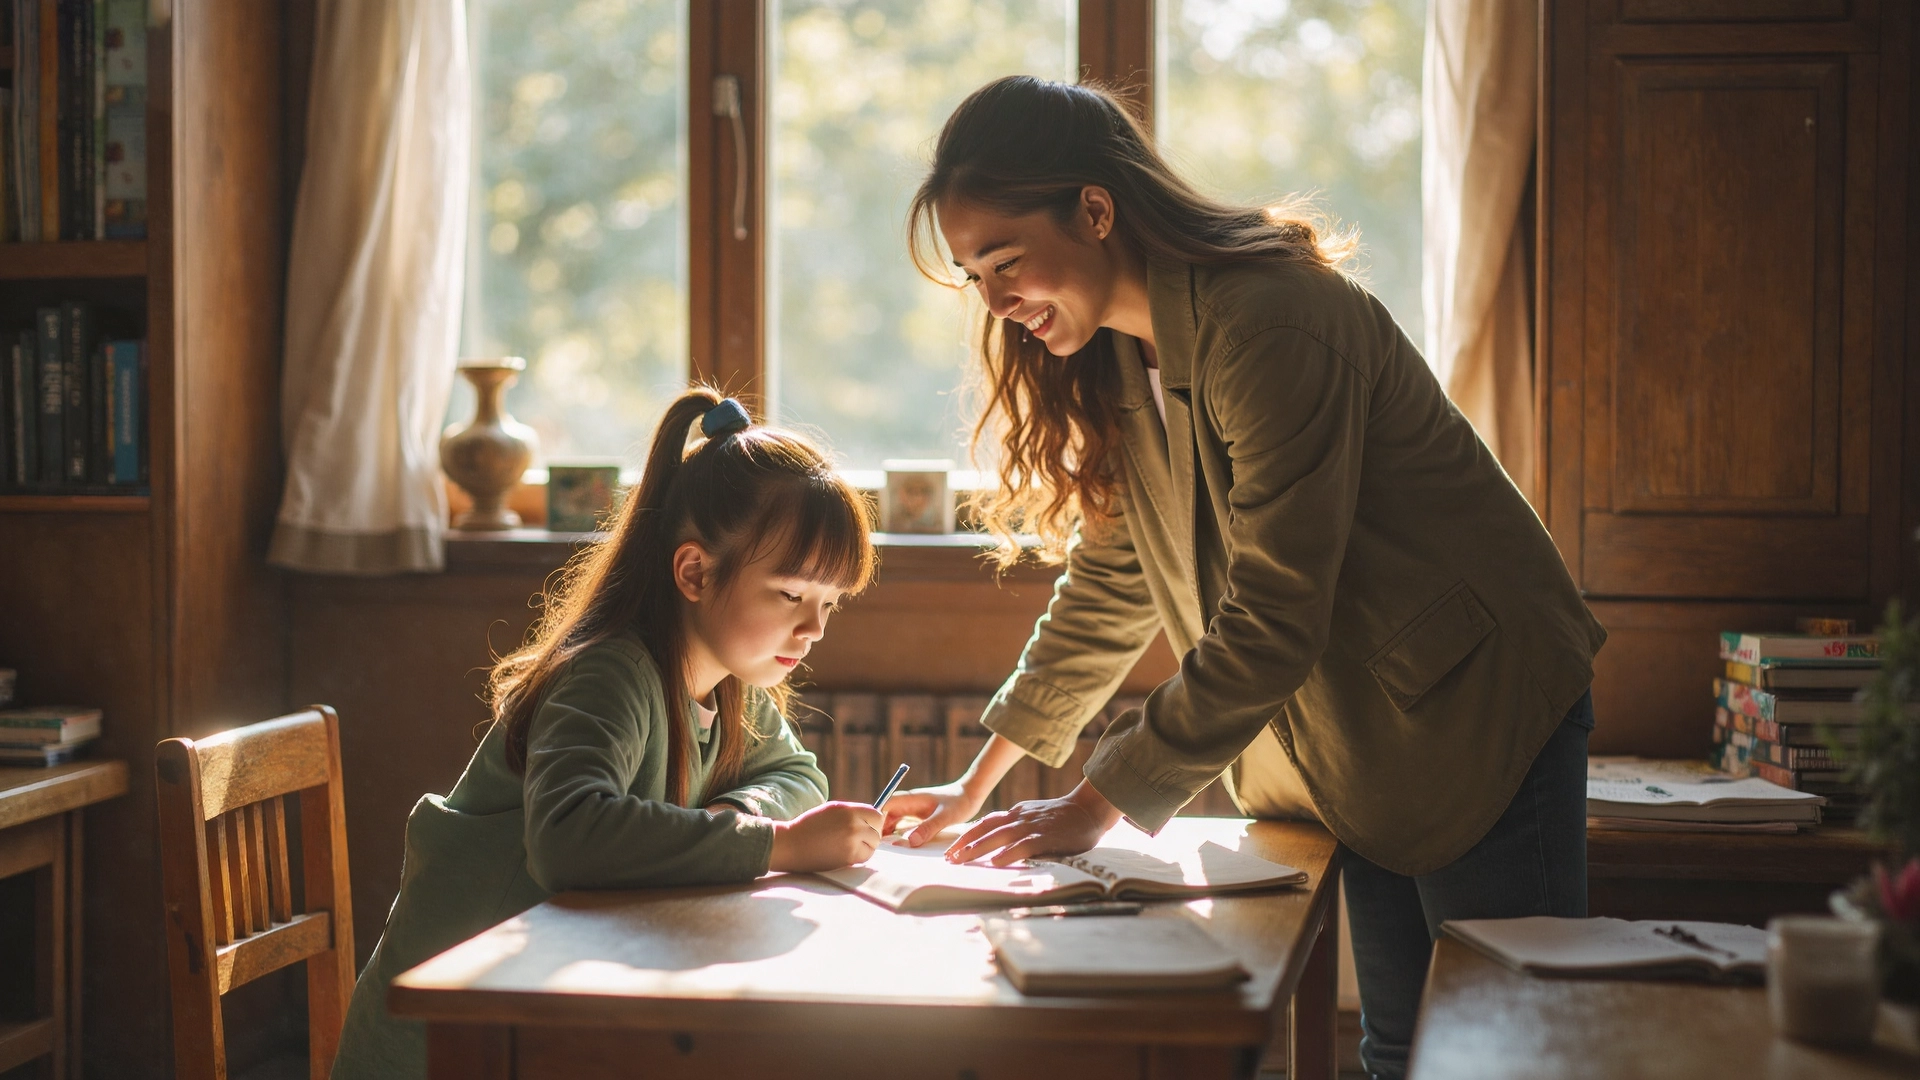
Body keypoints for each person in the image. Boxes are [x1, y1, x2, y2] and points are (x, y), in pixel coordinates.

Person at [880, 76, 1605, 1080]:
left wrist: (1095, 803)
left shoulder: (1269, 320)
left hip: (1479, 703)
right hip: (1368, 730)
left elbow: (1273, 613)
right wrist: (978, 780)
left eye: (1005, 262)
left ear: (1095, 210)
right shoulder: (1123, 355)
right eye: (975, 277)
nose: (997, 304)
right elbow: (1113, 579)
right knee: (1401, 1046)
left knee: (1501, 1048)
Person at [332, 389, 884, 1079]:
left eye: (830, 603)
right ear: (694, 571)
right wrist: (781, 845)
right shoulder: (611, 672)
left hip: (545, 1012)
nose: (815, 628)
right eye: (790, 594)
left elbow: (798, 776)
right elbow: (569, 838)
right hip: (450, 1040)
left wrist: (738, 814)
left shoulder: (728, 683)